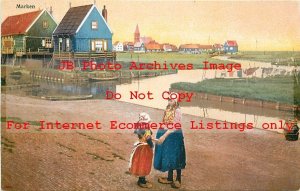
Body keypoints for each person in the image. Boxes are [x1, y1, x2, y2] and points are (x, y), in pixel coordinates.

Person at [154, 93, 186, 189]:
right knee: (169, 155)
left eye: (171, 100)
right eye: (168, 99)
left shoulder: (178, 111)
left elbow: (175, 126)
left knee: (177, 156)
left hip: (175, 135)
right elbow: (164, 121)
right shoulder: (168, 108)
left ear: (176, 101)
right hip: (167, 134)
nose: (169, 101)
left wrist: (164, 136)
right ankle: (170, 178)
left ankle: (178, 179)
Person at [129, 112, 154, 188]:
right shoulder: (146, 130)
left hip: (139, 147)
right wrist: (152, 145)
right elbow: (149, 138)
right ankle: (142, 181)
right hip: (145, 149)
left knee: (140, 163)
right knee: (144, 163)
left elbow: (139, 133)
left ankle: (141, 179)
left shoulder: (139, 127)